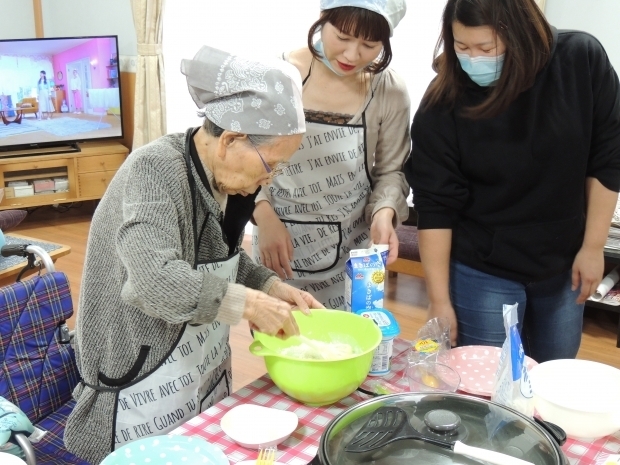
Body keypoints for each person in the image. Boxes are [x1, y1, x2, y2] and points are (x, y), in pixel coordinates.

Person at [64, 45, 322, 464]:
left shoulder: (233, 182)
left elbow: (223, 261)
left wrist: (269, 285)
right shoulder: (154, 172)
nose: (269, 178)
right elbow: (155, 282)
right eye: (270, 164)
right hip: (138, 379)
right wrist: (250, 303)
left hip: (199, 372)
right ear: (233, 140)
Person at [404, 0, 620, 363]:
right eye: (461, 47)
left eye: (486, 48)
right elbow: (435, 206)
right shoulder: (444, 102)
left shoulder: (579, 60)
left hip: (563, 261)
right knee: (488, 383)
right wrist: (439, 299)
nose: (473, 59)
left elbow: (608, 157)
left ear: (519, 34)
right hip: (482, 267)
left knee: (552, 378)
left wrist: (594, 246)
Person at [252, 0, 411, 309]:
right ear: (323, 18)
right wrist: (262, 214)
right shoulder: (277, 76)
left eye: (369, 45)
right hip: (276, 239)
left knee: (344, 344)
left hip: (352, 250)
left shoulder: (389, 91)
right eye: (343, 37)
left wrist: (384, 212)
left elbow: (391, 171)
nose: (352, 55)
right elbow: (240, 156)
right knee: (284, 342)